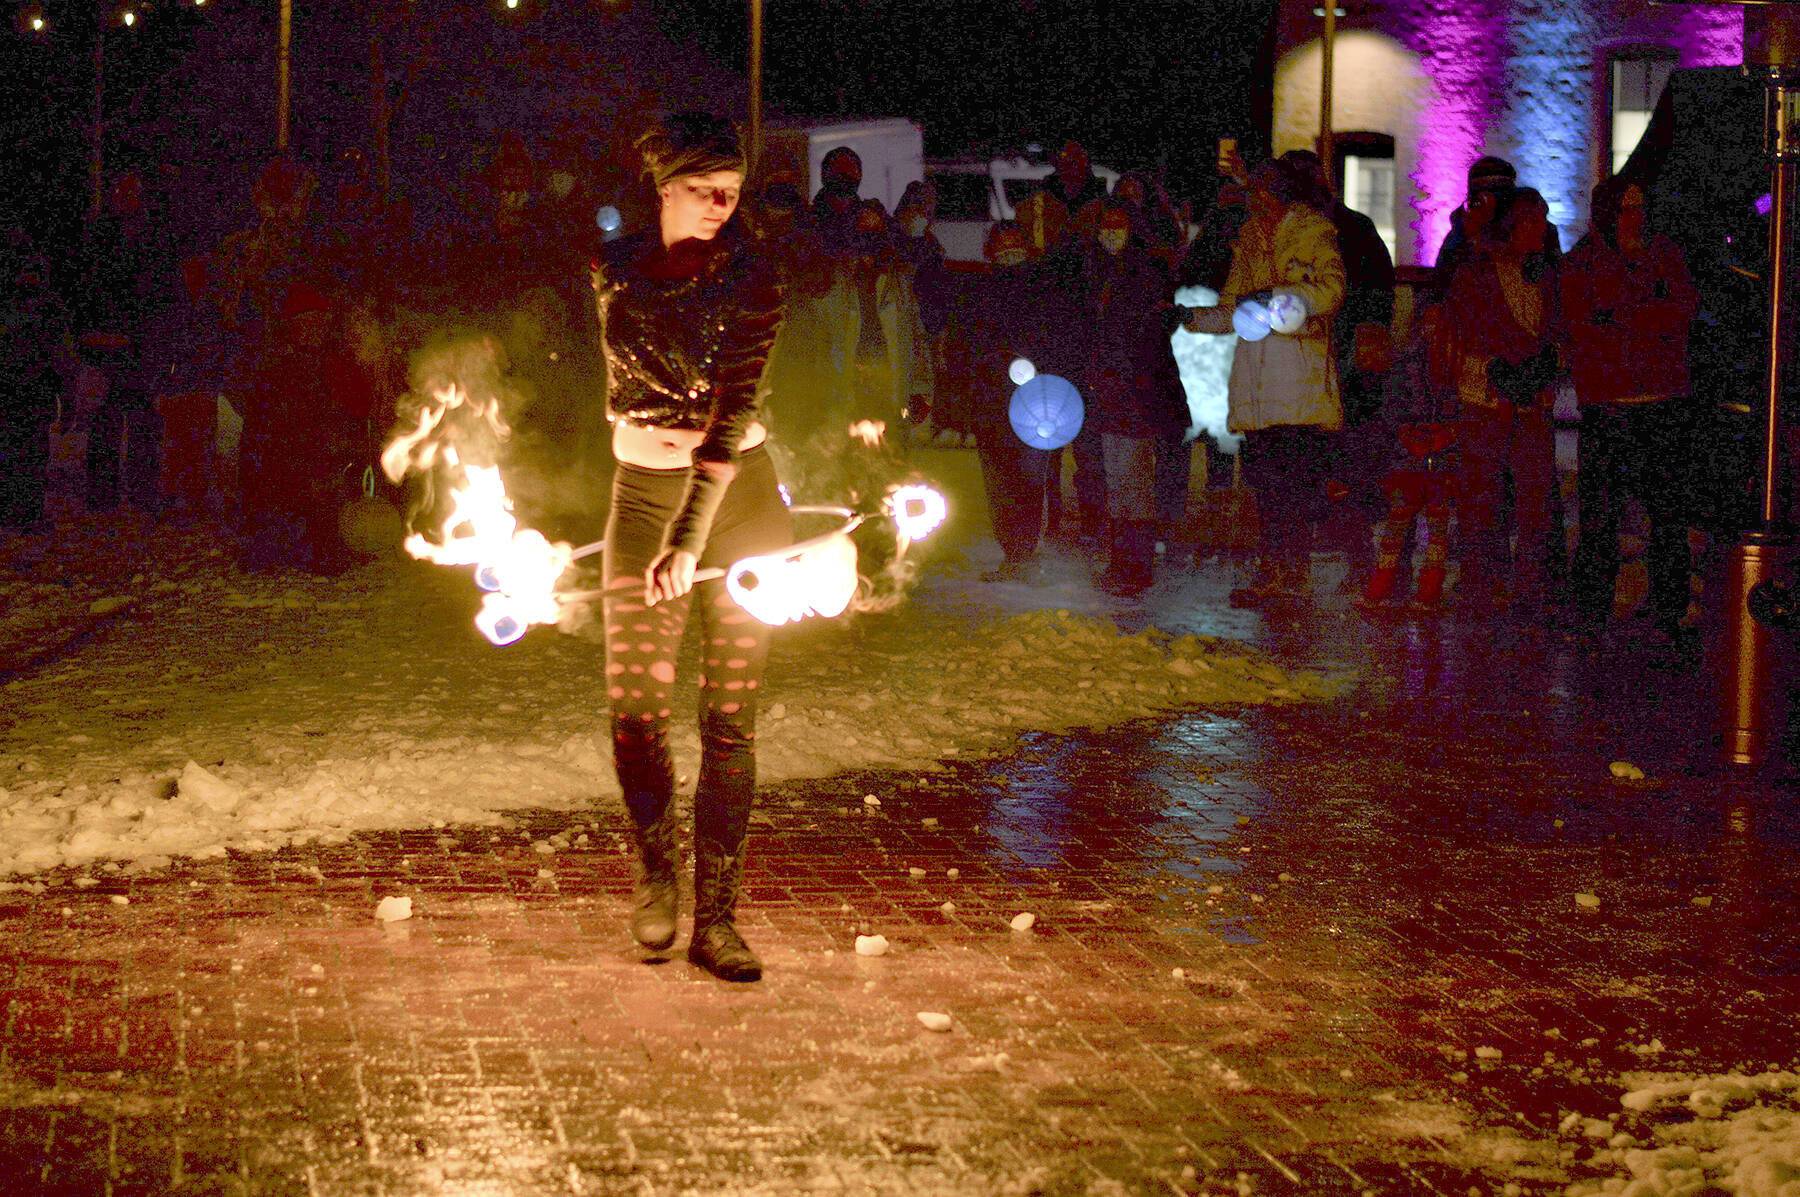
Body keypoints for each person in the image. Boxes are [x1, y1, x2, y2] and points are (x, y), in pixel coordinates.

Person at [590, 112, 787, 982]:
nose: (718, 206)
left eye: (731, 194)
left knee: (729, 720)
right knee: (635, 712)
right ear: (664, 187)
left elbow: (732, 415)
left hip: (737, 505)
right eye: (703, 190)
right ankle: (657, 873)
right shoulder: (611, 267)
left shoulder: (755, 276)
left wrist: (689, 534)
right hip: (641, 497)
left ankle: (718, 918)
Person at [1184, 158, 1346, 605]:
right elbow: (1233, 310)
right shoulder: (1250, 241)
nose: (1253, 202)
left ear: (1275, 194)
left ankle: (1292, 575)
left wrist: (1275, 296)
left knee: (1293, 489)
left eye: (1258, 192)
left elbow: (1331, 291)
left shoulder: (1313, 234)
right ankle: (1272, 571)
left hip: (1296, 386)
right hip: (1257, 388)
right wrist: (1191, 318)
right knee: (1267, 488)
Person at [1560, 175, 1699, 645]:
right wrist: (1646, 318)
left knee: (1668, 518)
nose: (1636, 218)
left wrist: (1621, 317)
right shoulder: (1582, 263)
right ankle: (1592, 613)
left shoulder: (1663, 254)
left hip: (1662, 402)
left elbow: (1681, 310)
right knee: (1600, 517)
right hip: (1611, 406)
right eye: (1627, 209)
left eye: (1640, 207)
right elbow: (1584, 329)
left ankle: (1668, 612)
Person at [1435, 187, 1563, 617]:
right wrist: (1510, 363)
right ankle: (1479, 585)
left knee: (1534, 499)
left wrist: (1544, 363)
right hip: (1487, 395)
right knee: (1480, 496)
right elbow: (1471, 324)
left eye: (1542, 219)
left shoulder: (1546, 274)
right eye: (1532, 219)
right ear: (1511, 225)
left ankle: (1528, 588)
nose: (1541, 228)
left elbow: (1556, 327)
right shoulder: (1476, 272)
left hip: (1531, 398)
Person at [1280, 149, 1396, 589]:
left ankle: (1357, 559)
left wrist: (1362, 344)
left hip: (1340, 363)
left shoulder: (1352, 230)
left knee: (1344, 464)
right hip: (1306, 362)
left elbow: (1374, 296)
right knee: (1310, 465)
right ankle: (1310, 560)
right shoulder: (1294, 232)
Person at [1081, 203, 1191, 593]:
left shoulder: (1143, 272)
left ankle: (1135, 565)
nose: (1111, 232)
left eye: (1119, 224)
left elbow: (1145, 335)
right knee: (1119, 483)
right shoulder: (1098, 270)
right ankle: (1124, 561)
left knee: (1134, 484)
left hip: (1136, 392)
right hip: (1112, 392)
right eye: (1106, 224)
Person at [1433, 156, 1561, 290]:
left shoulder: (1535, 230)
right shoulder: (1465, 230)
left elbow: (1547, 282)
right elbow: (1444, 285)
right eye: (1481, 197)